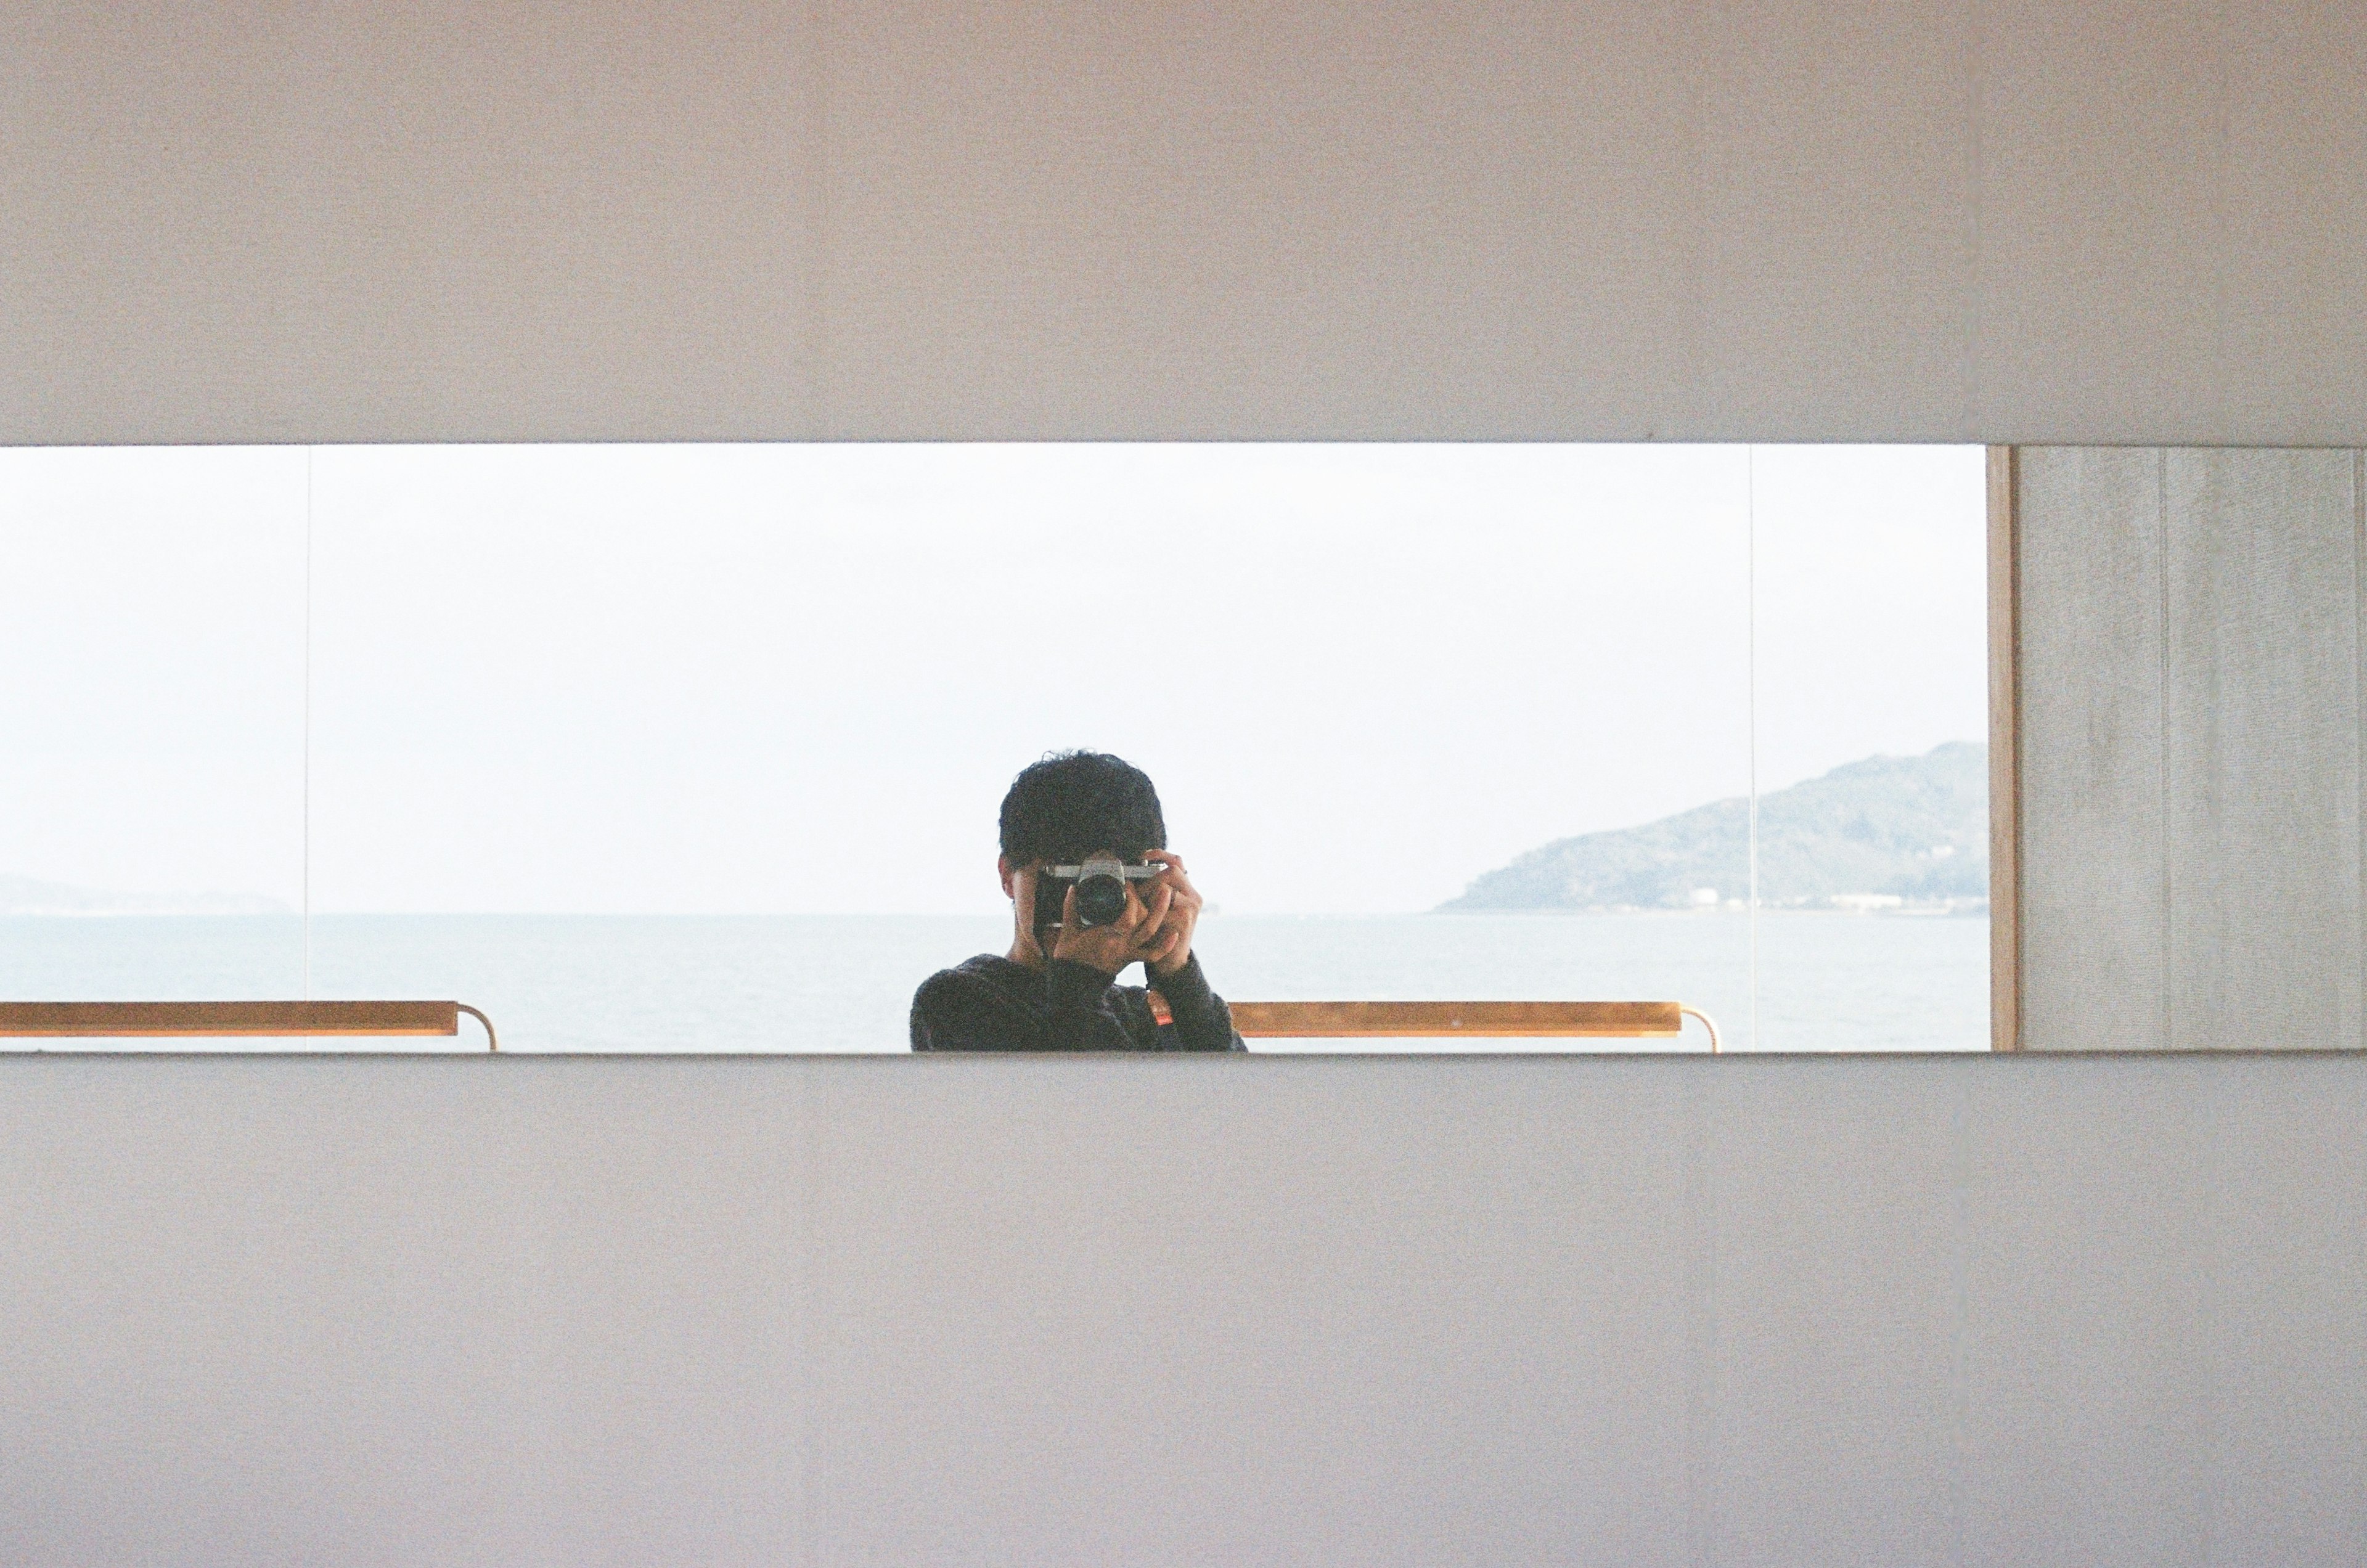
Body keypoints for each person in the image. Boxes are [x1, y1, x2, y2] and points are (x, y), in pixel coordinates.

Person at [910, 751, 1245, 1051]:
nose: (1087, 899)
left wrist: (1182, 978)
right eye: (1067, 878)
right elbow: (1066, 1108)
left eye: (1111, 880)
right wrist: (1080, 982)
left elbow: (1241, 1102)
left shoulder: (1132, 1010)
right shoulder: (954, 1001)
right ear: (1007, 876)